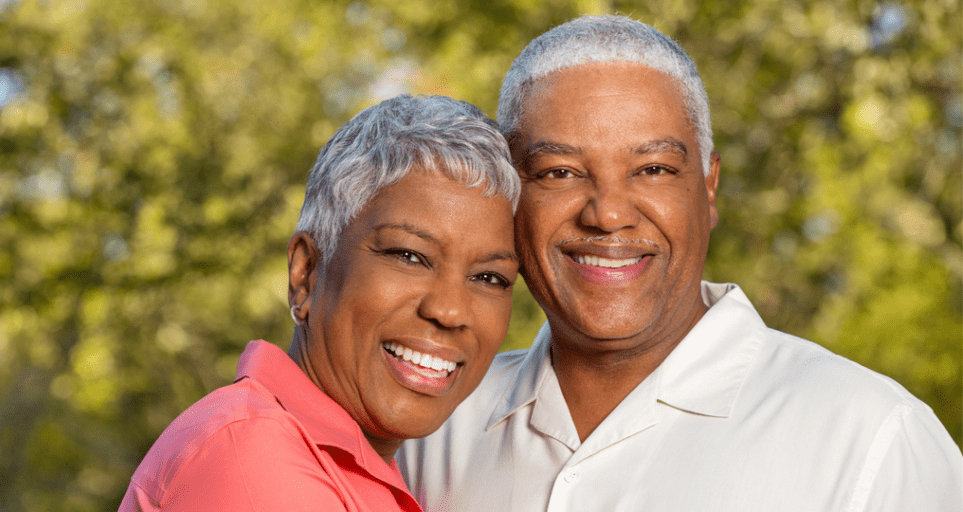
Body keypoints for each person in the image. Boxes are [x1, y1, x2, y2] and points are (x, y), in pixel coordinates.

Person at [397, 15, 962, 511]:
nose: (609, 214)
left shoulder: (872, 441)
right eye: (560, 172)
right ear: (510, 195)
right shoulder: (428, 424)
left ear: (709, 188)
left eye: (653, 170)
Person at [119, 94, 522, 511]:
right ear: (306, 273)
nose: (450, 310)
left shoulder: (372, 473)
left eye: (489, 278)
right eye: (409, 256)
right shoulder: (254, 454)